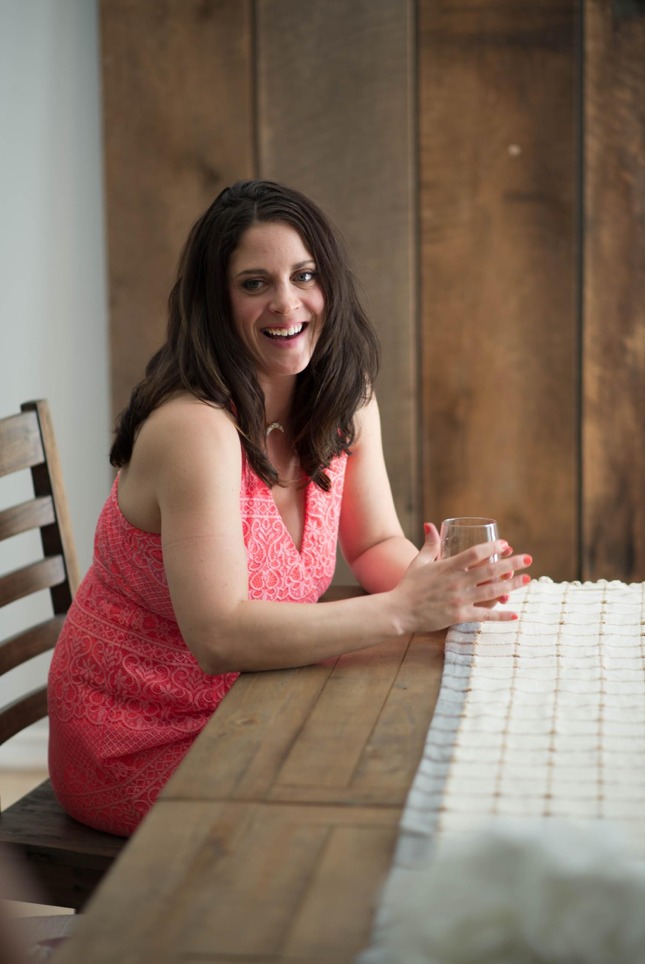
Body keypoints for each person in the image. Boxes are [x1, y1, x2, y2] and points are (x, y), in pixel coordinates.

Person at [47, 179, 531, 836]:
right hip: (143, 735)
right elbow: (218, 637)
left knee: (435, 764)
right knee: (374, 807)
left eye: (304, 275)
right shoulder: (194, 429)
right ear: (215, 302)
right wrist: (399, 611)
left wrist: (446, 588)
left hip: (263, 695)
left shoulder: (344, 399)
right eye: (254, 283)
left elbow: (372, 544)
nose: (286, 303)